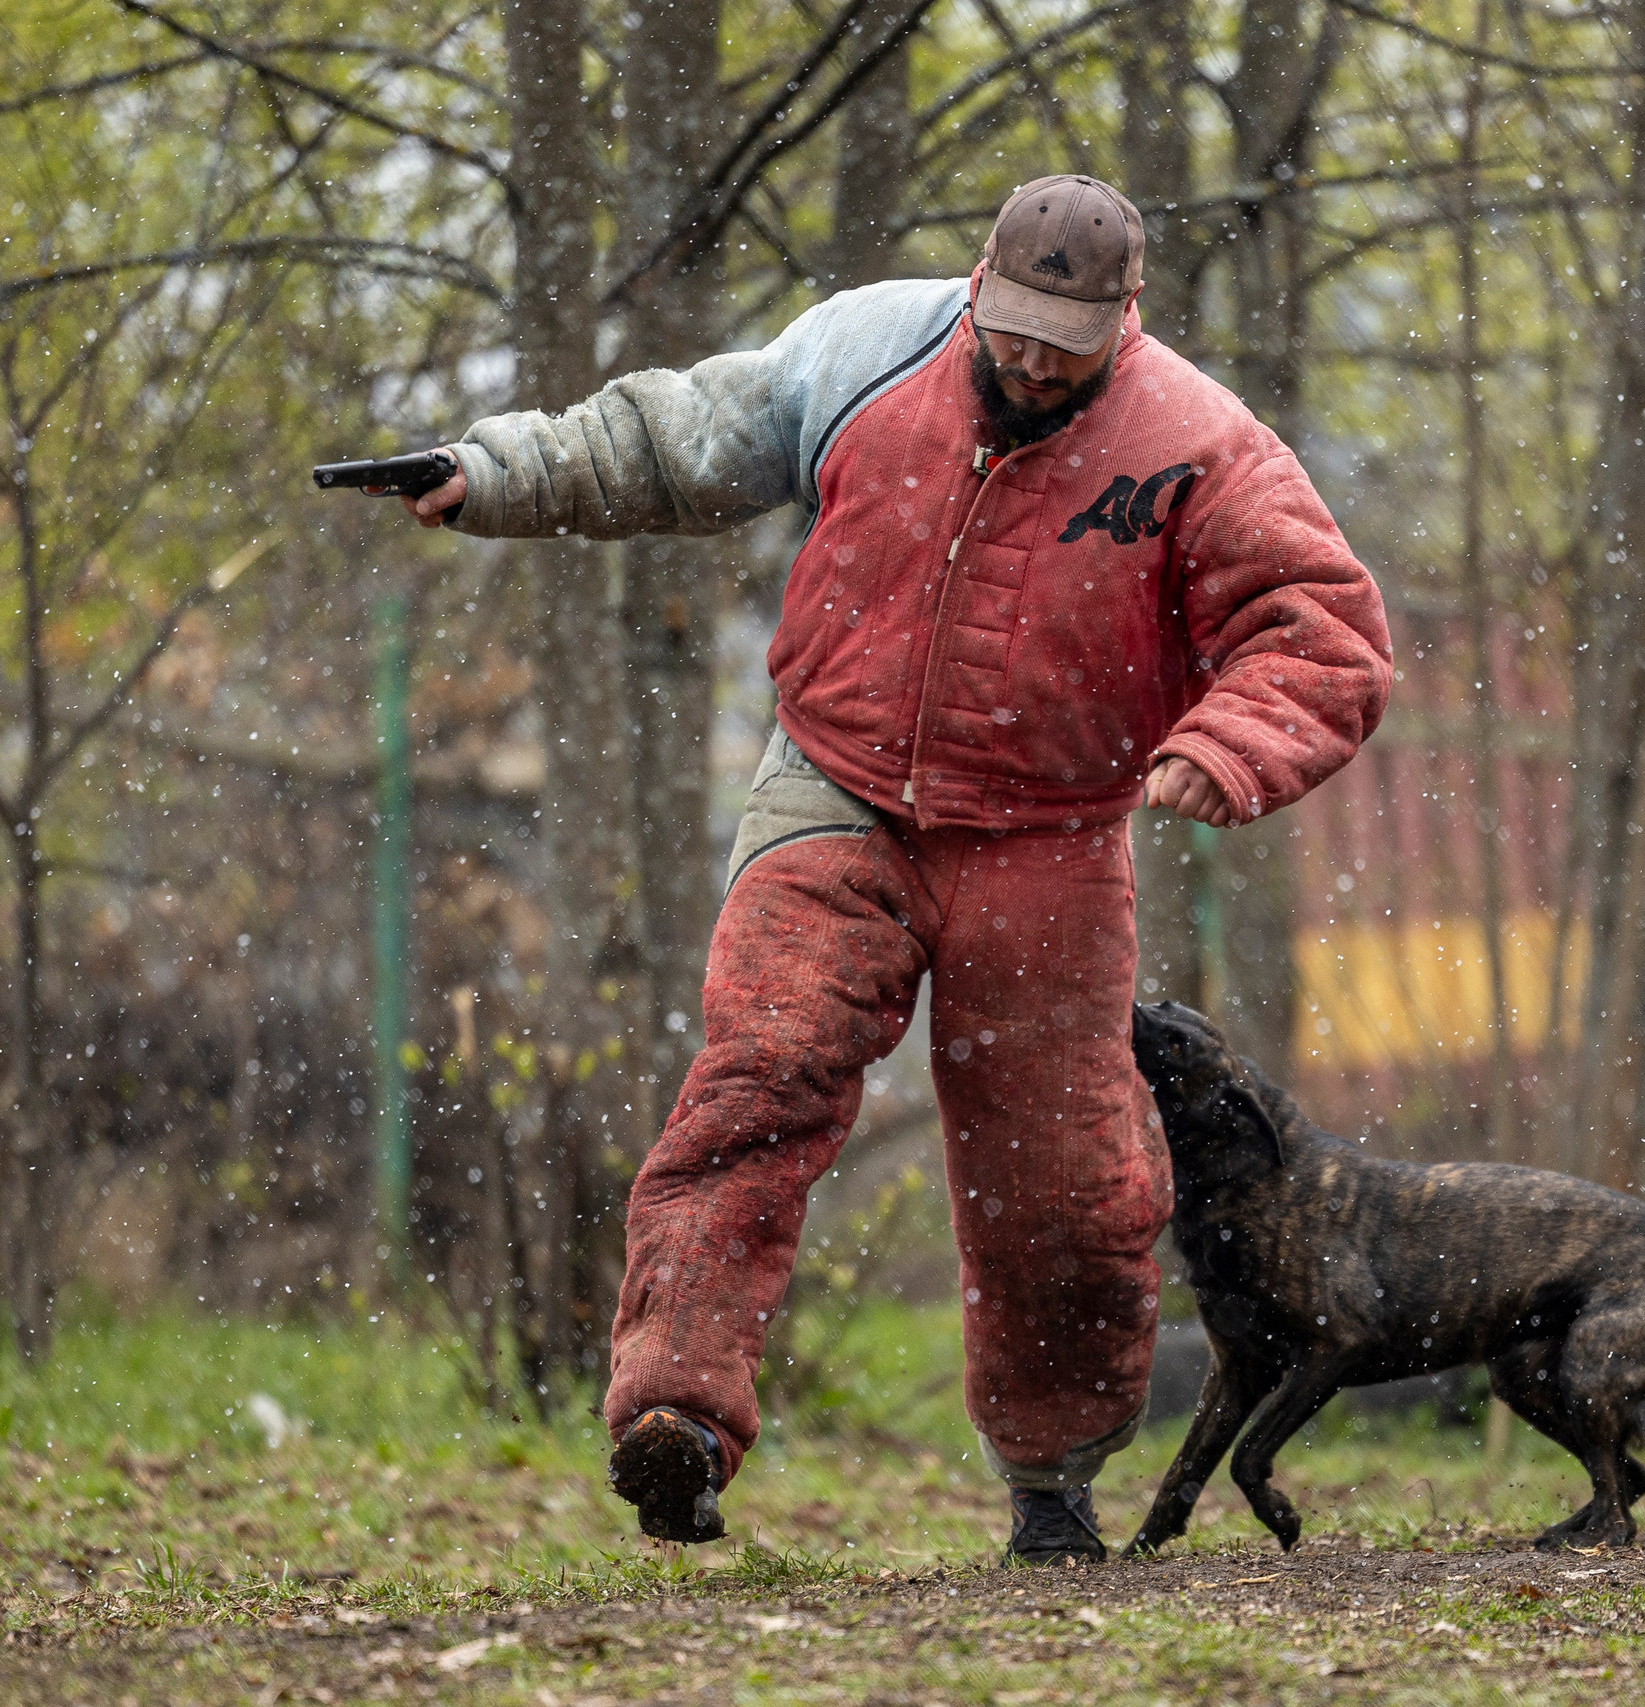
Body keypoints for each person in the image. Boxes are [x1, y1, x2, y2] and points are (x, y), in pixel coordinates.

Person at [395, 175, 1391, 1564]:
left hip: (1049, 833)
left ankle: (1052, 1486)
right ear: (978, 283)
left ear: (1126, 321)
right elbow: (681, 436)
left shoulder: (1200, 446)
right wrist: (499, 472)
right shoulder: (868, 349)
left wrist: (1228, 746)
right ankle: (673, 1419)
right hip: (835, 788)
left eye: (1069, 342)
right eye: (1016, 325)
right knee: (761, 1076)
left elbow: (1325, 629)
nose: (1035, 361)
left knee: (1065, 1184)